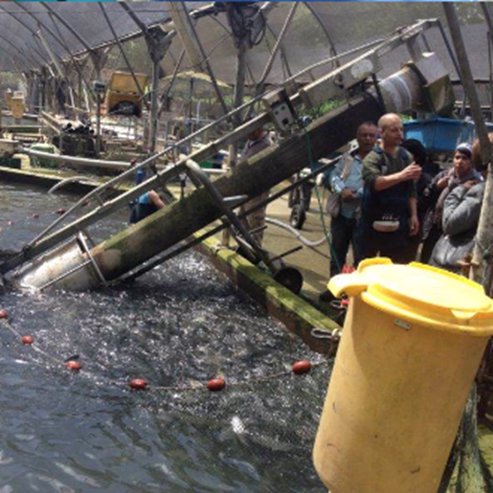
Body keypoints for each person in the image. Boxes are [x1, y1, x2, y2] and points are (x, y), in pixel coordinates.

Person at [318, 122, 378, 302]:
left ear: (376, 138)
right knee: (337, 253)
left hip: (363, 216)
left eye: (371, 135)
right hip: (342, 214)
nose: (367, 139)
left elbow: (377, 183)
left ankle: (355, 297)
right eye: (363, 135)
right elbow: (334, 175)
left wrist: (357, 194)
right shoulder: (348, 158)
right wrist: (341, 190)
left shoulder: (379, 160)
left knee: (361, 258)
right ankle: (334, 289)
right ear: (357, 138)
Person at [359, 113, 422, 263]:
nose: (399, 134)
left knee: (392, 267)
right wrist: (401, 175)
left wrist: (413, 215)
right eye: (394, 130)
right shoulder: (372, 158)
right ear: (382, 133)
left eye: (401, 130)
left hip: (397, 223)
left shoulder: (406, 157)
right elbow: (375, 183)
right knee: (365, 266)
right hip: (371, 223)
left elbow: (411, 189)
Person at [420, 142, 482, 264]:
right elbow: (425, 198)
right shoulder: (444, 175)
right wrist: (436, 187)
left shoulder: (474, 182)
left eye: (465, 158)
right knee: (425, 261)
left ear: (471, 161)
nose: (460, 161)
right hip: (434, 226)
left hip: (454, 233)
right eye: (457, 157)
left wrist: (461, 189)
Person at [239, 126, 273, 246]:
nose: (247, 134)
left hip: (256, 189)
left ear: (258, 130)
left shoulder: (267, 144)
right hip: (244, 187)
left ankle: (256, 248)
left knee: (255, 218)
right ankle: (243, 246)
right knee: (242, 219)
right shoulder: (250, 142)